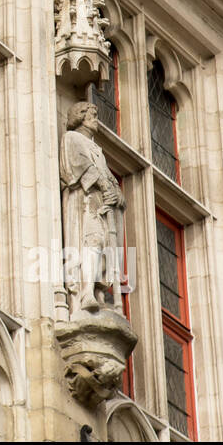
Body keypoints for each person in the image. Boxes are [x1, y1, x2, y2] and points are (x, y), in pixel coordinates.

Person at [59, 101, 124, 312]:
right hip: (84, 200)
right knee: (91, 241)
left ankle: (96, 291)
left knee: (104, 245)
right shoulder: (72, 138)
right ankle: (85, 292)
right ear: (80, 117)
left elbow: (105, 173)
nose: (96, 119)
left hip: (100, 203)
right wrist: (104, 185)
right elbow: (78, 165)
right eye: (92, 115)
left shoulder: (97, 148)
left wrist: (116, 191)